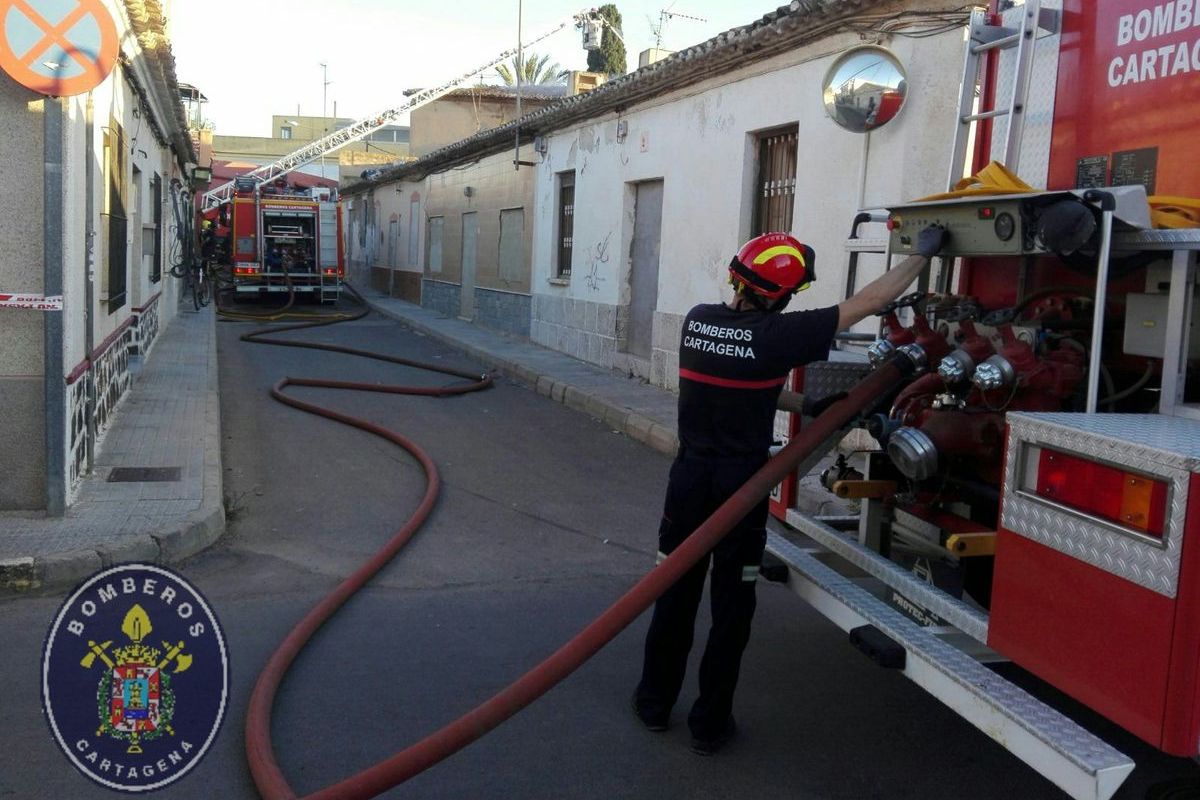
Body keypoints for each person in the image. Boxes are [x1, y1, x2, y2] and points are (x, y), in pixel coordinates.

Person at [632, 224, 949, 755]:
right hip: (744, 489)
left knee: (675, 593)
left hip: (687, 483)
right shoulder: (779, 337)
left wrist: (805, 408)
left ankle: (653, 703)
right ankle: (710, 725)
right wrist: (922, 255)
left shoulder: (697, 323)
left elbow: (738, 383)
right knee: (733, 605)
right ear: (780, 296)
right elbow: (870, 301)